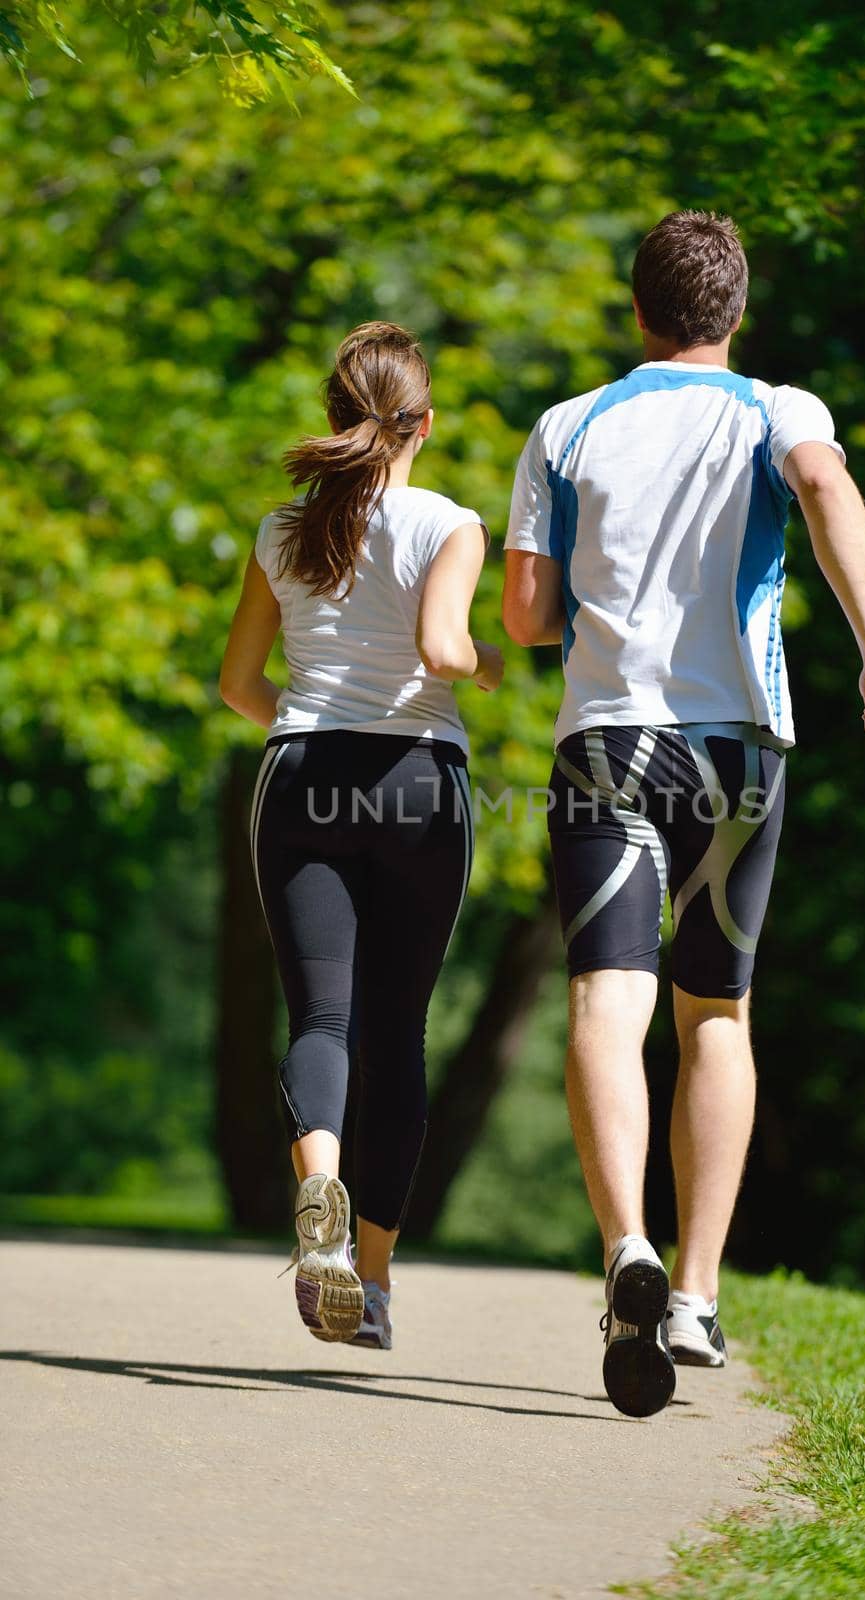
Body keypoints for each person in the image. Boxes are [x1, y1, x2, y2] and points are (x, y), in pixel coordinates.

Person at [502, 210, 865, 1418]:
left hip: (606, 746)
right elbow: (828, 486)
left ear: (637, 312)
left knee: (605, 1002)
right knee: (716, 1016)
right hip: (737, 755)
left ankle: (624, 1239)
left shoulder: (566, 426)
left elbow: (528, 618)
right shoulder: (781, 410)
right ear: (735, 313)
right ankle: (692, 1293)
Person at [220, 321, 502, 1349]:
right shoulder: (451, 523)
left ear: (336, 420)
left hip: (303, 775)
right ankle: (371, 1286)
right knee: (398, 1035)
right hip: (419, 783)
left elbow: (237, 686)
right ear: (421, 422)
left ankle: (320, 1196)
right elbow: (440, 642)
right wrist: (482, 664)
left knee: (322, 1020)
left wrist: (307, 732)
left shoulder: (278, 531)